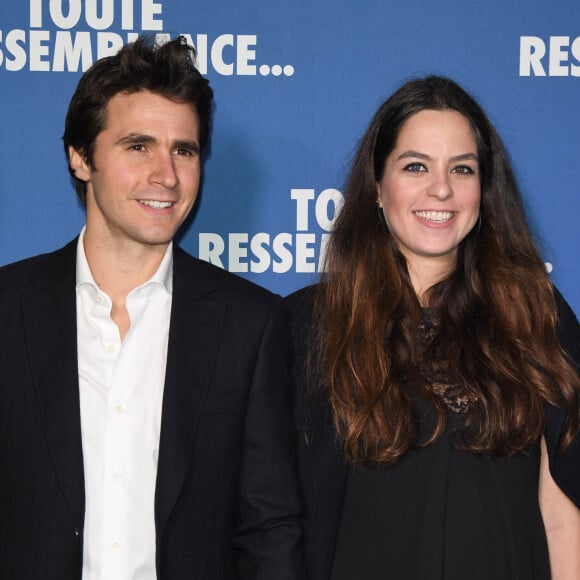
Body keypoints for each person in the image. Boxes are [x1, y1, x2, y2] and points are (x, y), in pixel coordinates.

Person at [0, 36, 304, 579]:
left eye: (183, 150)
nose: (166, 174)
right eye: (139, 146)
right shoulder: (7, 308)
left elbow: (269, 527)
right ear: (80, 157)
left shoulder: (249, 324)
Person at [286, 76, 580, 580]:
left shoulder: (537, 315)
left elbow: (561, 513)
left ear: (484, 191)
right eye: (416, 166)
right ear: (377, 188)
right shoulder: (308, 324)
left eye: (462, 169)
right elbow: (279, 518)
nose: (440, 188)